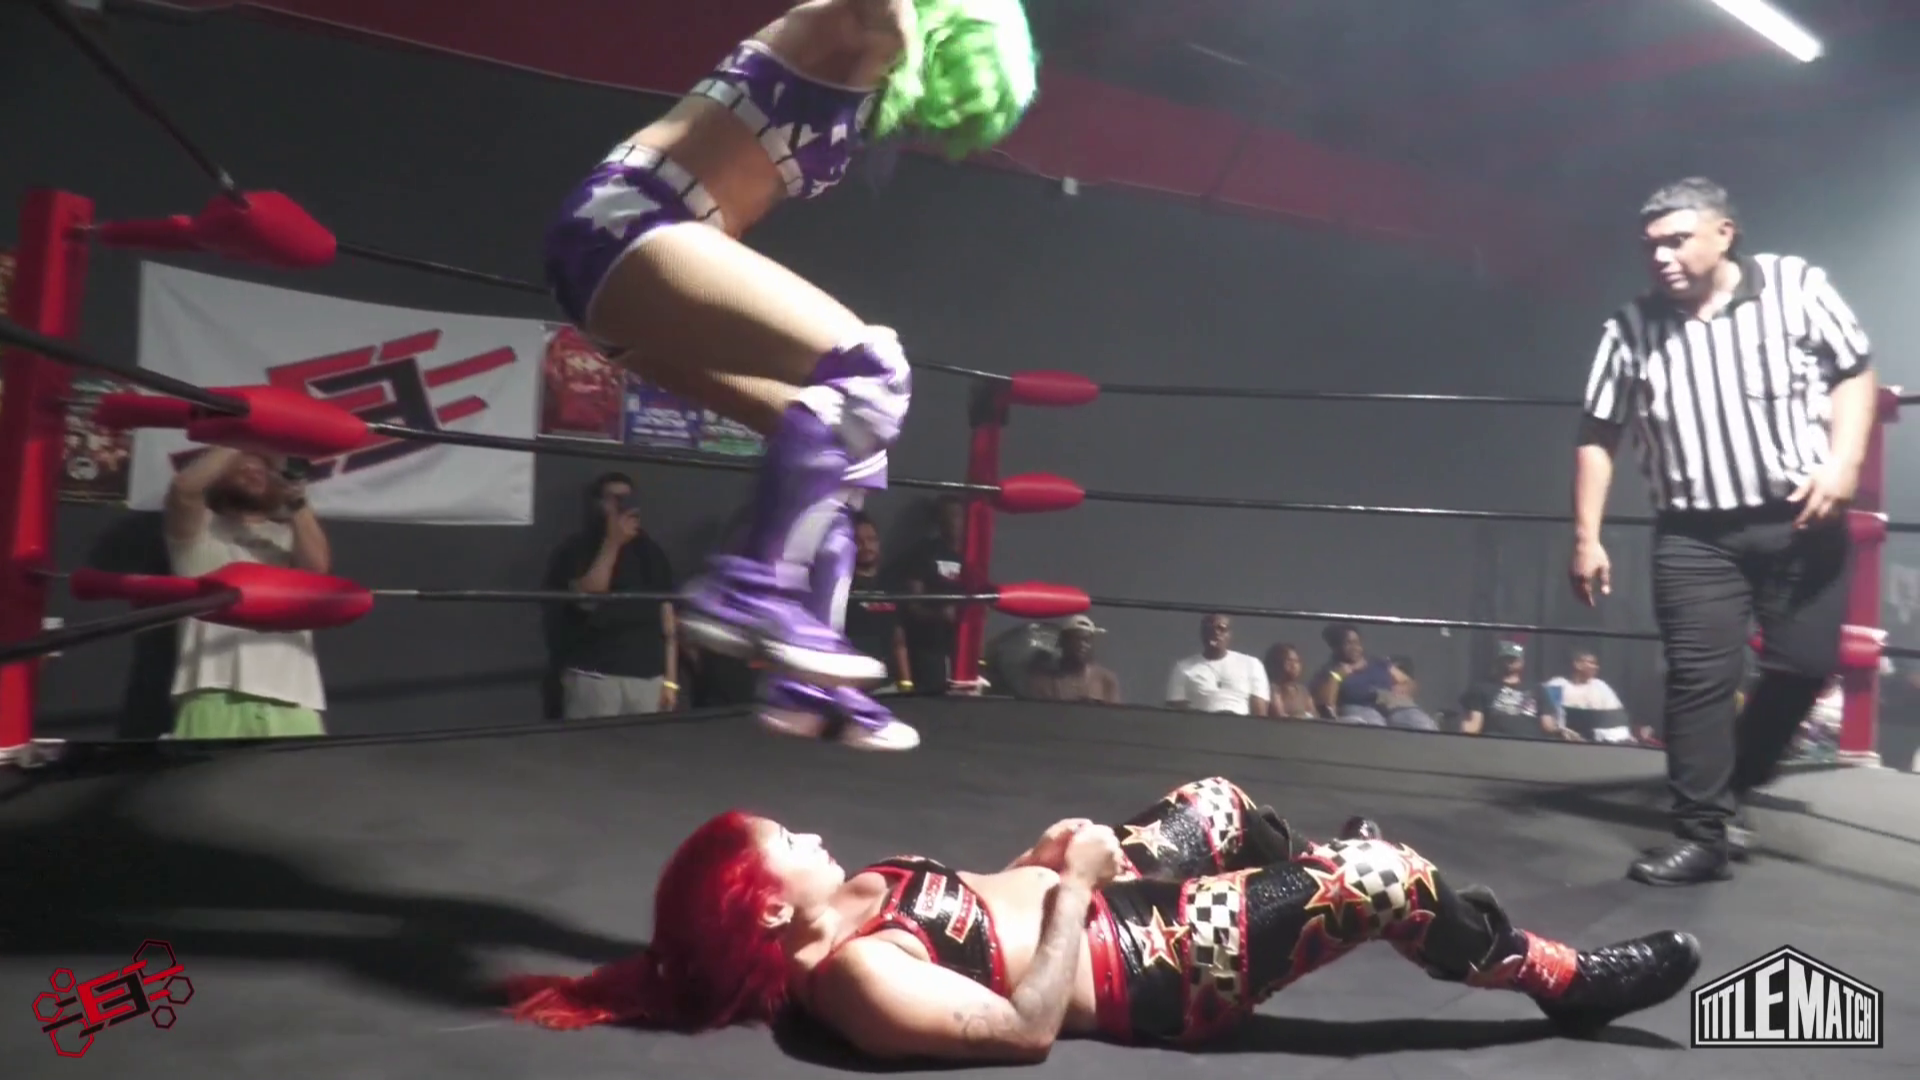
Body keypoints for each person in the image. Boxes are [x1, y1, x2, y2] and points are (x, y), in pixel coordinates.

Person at [541, 0, 1038, 749]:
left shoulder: (872, 71)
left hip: (645, 285)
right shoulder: (849, 21)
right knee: (874, 370)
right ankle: (749, 586)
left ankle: (809, 681)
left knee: (852, 449)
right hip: (625, 224)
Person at [502, 776, 1701, 1058]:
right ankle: (1559, 978)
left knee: (1219, 803)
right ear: (767, 901)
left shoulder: (848, 907)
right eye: (788, 843)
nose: (812, 835)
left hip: (1104, 901)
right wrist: (1074, 888)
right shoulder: (854, 981)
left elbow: (978, 915)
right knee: (1384, 877)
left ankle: (1316, 883)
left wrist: (1043, 862)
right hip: (1153, 970)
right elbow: (1025, 1028)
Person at [1571, 177, 1876, 885]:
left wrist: (1844, 463)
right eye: (1651, 246)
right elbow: (1597, 432)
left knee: (1804, 667)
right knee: (1699, 680)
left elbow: (1855, 373)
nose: (1661, 257)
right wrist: (1586, 536)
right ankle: (1701, 834)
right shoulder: (1630, 328)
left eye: (1677, 240)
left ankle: (1735, 780)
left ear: (1724, 234)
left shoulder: (1796, 287)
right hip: (1694, 534)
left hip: (1801, 518)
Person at [162, 448, 330, 739]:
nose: (253, 472)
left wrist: (295, 500)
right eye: (242, 466)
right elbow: (184, 490)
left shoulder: (290, 536)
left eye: (262, 469)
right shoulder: (199, 531)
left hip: (294, 697)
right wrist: (243, 437)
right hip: (212, 694)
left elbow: (317, 571)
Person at [543, 473, 680, 719]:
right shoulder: (579, 548)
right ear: (598, 503)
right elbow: (587, 601)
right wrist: (613, 543)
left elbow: (668, 619)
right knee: (591, 743)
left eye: (627, 499)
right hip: (595, 675)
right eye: (613, 498)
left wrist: (670, 680)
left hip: (647, 677)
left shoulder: (652, 552)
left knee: (646, 744)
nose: (621, 505)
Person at [839, 511, 914, 691]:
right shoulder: (840, 585)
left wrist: (906, 682)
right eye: (859, 541)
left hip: (887, 682)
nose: (866, 546)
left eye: (871, 539)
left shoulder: (891, 582)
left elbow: (898, 639)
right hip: (852, 682)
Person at [1460, 642, 1577, 742]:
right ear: (1498, 661)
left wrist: (1561, 731)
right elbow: (1474, 724)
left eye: (1514, 659)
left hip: (1529, 743)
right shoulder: (1482, 689)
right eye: (1507, 659)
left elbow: (1547, 725)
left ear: (1522, 662)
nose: (1510, 663)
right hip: (1495, 743)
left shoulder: (1537, 689)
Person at [1165, 614, 1270, 716]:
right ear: (1202, 634)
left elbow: (1259, 714)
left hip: (1240, 725)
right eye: (1210, 629)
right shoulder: (1183, 668)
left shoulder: (1251, 664)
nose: (1216, 633)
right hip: (1201, 725)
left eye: (1222, 629)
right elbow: (1176, 711)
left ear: (1229, 634)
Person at [1019, 615, 1122, 703]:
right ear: (1063, 642)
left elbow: (1114, 716)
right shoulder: (1045, 681)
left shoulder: (1106, 681)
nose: (1083, 645)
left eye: (1087, 640)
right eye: (1077, 639)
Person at [1543, 649, 1632, 744]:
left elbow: (1616, 716)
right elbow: (1550, 716)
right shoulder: (1557, 685)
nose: (1596, 667)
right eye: (1591, 663)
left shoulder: (1601, 686)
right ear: (1577, 664)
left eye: (1596, 664)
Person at [1262, 643, 1315, 718]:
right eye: (1289, 661)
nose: (1294, 666)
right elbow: (1280, 717)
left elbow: (1314, 716)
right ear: (1277, 663)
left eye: (1297, 661)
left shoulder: (1303, 691)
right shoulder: (1273, 689)